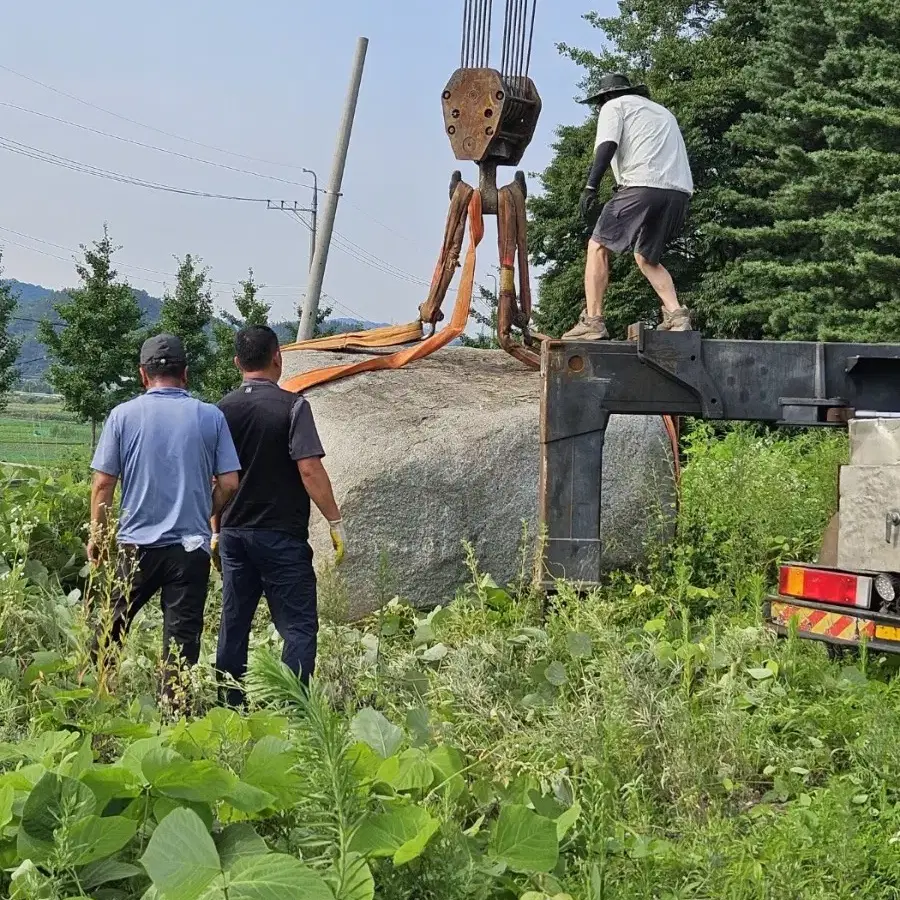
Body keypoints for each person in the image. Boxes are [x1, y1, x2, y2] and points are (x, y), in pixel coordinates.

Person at [88, 334, 241, 694]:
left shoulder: (122, 416)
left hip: (135, 546)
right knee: (182, 640)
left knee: (111, 625)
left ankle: (98, 695)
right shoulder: (210, 416)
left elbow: (103, 484)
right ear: (185, 373)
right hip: (190, 548)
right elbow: (231, 482)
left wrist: (98, 536)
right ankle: (176, 711)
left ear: (143, 375)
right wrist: (206, 511)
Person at [214, 325, 344, 705]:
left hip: (235, 534)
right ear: (278, 357)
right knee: (299, 627)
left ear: (238, 363)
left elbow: (216, 480)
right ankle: (291, 709)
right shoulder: (294, 407)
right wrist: (334, 520)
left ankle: (228, 707)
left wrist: (215, 530)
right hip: (282, 537)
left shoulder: (221, 411)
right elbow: (309, 469)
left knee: (233, 623)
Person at [563, 73, 694, 341]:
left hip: (642, 187)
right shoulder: (661, 112)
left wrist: (590, 187)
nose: (600, 108)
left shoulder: (615, 106)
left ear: (607, 96)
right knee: (646, 257)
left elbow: (607, 145)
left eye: (600, 102)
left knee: (597, 245)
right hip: (678, 192)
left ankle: (593, 320)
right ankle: (677, 316)